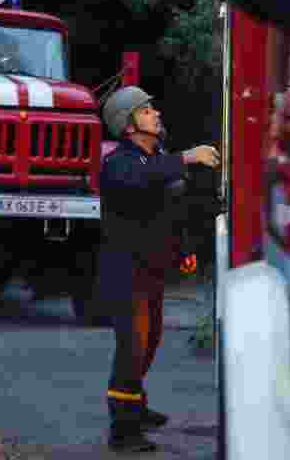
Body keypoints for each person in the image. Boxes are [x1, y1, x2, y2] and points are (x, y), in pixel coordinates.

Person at [95, 85, 221, 453]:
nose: (156, 113)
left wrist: (183, 250)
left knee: (148, 341)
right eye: (147, 110)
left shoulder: (157, 158)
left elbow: (170, 210)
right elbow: (140, 181)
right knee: (132, 346)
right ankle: (123, 430)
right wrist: (186, 158)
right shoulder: (120, 163)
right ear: (128, 124)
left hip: (149, 269)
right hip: (125, 271)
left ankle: (135, 405)